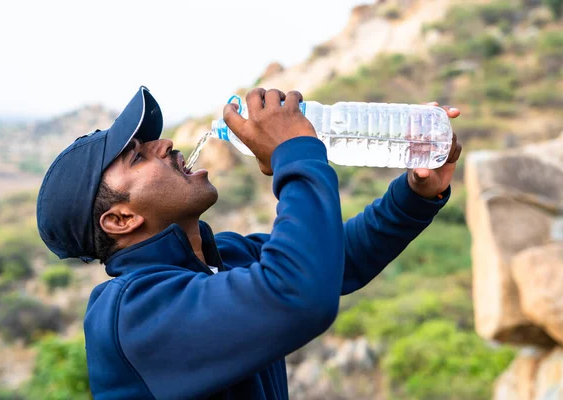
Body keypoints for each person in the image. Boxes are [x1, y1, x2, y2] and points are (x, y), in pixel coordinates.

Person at [37, 85, 461, 400]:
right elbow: (299, 294)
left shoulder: (222, 259)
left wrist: (415, 194)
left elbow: (337, 258)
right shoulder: (132, 314)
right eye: (138, 156)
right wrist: (294, 152)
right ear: (121, 219)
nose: (165, 144)